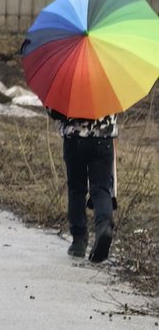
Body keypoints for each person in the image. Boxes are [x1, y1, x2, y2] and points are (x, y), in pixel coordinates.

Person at [51, 111, 117, 262]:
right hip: (103, 137)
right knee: (101, 188)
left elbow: (54, 111)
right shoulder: (108, 87)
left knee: (76, 188)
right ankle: (104, 225)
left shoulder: (70, 86)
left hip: (75, 138)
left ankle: (79, 241)